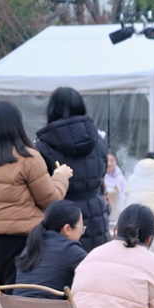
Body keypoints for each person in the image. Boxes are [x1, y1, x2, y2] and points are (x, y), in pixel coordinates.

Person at [0, 100, 72, 286]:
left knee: (5, 293)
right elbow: (51, 200)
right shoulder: (28, 158)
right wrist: (60, 177)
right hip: (24, 242)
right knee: (21, 296)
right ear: (18, 123)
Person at [34, 86, 111, 251]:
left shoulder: (43, 146)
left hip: (65, 222)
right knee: (96, 263)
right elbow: (102, 176)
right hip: (97, 218)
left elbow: (43, 191)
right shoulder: (99, 140)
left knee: (68, 264)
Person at [13, 201, 88, 297]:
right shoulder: (71, 250)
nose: (81, 232)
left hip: (18, 306)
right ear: (67, 229)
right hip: (52, 306)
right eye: (81, 228)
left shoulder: (30, 248)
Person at [104, 152, 126, 219]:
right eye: (107, 160)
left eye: (112, 161)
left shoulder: (120, 178)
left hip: (117, 210)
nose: (109, 163)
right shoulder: (99, 177)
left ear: (116, 162)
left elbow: (124, 194)